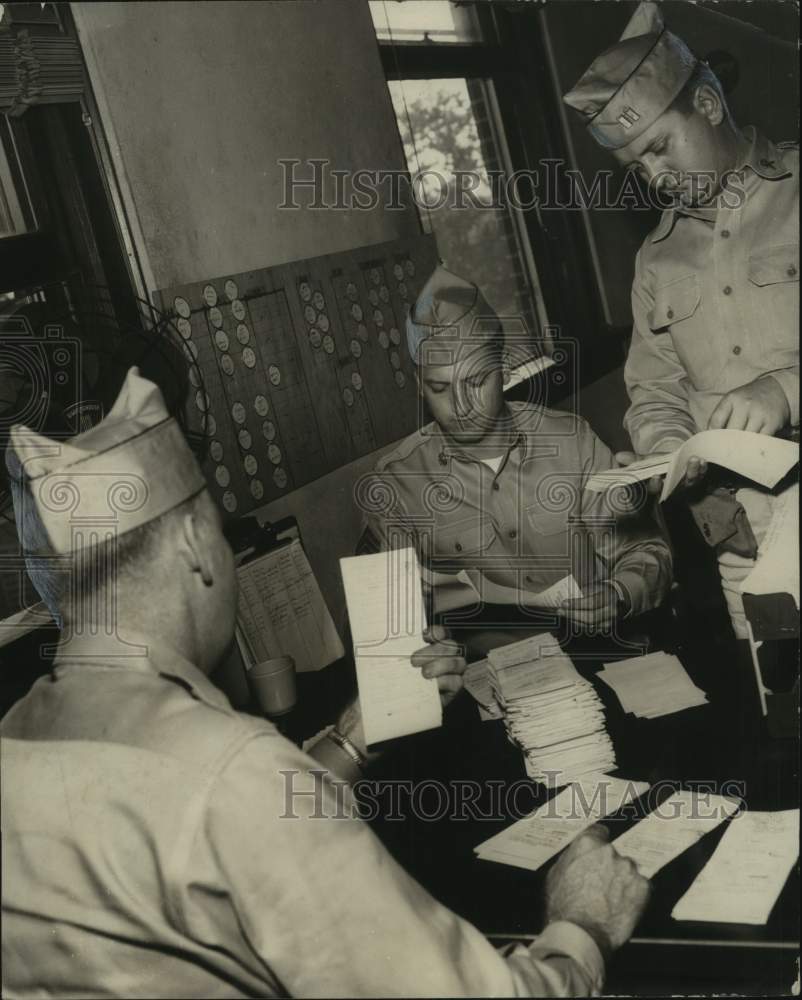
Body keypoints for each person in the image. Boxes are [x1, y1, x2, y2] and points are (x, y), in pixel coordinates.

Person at [1, 367, 651, 997]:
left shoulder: (14, 739)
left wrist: (349, 741)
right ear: (196, 549)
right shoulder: (237, 778)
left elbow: (182, 835)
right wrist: (581, 927)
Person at [562, 1, 799, 639]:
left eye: (661, 148)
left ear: (709, 105)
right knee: (781, 713)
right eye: (637, 168)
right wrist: (666, 449)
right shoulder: (655, 261)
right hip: (740, 536)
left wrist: (784, 389)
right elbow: (655, 389)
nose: (656, 178)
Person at [360, 264, 672, 630]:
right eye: (439, 388)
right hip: (482, 674)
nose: (460, 407)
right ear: (418, 383)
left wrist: (618, 592)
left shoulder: (571, 442)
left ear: (504, 369)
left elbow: (645, 551)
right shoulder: (397, 483)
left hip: (596, 648)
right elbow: (381, 623)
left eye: (476, 381)